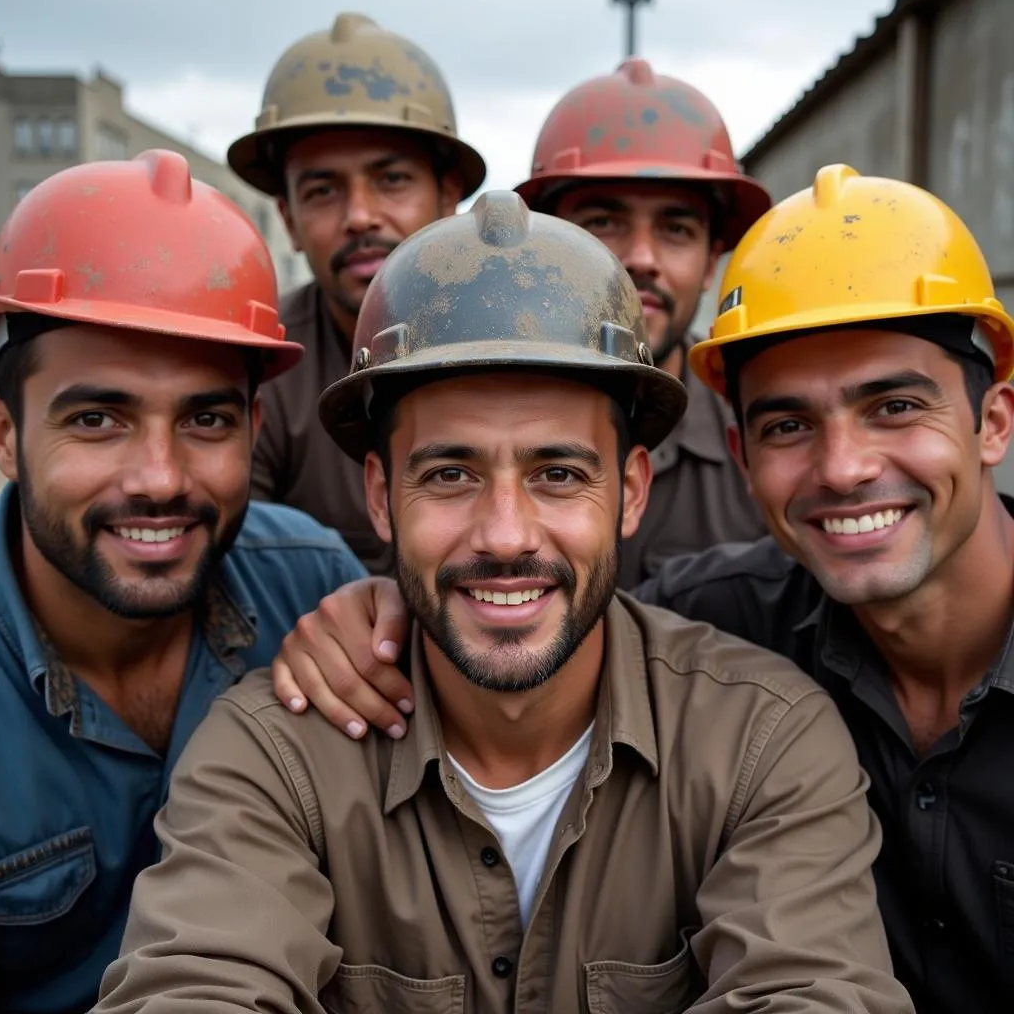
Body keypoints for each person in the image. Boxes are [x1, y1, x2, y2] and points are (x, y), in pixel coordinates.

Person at [96, 191, 912, 1013]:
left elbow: (813, 993)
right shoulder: (275, 757)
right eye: (450, 474)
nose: (507, 534)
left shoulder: (760, 741)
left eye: (558, 474)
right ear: (380, 498)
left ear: (631, 493)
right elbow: (194, 984)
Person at [272, 165, 1014, 1014]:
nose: (844, 467)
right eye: (788, 426)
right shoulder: (723, 615)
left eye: (894, 408)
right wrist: (398, 604)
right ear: (741, 457)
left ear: (993, 421)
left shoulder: (756, 716)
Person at [0, 150, 366, 1014]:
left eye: (205, 419)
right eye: (97, 419)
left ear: (256, 428)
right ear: (6, 435)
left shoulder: (315, 591)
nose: (158, 477)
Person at [232, 12, 487, 574]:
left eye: (391, 179)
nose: (359, 216)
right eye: (323, 190)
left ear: (449, 198)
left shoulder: (522, 340)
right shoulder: (258, 366)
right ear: (289, 221)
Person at [515, 59, 770, 586]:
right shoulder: (469, 407)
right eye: (604, 223)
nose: (641, 258)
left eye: (675, 228)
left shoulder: (766, 431)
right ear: (541, 247)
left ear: (711, 262)